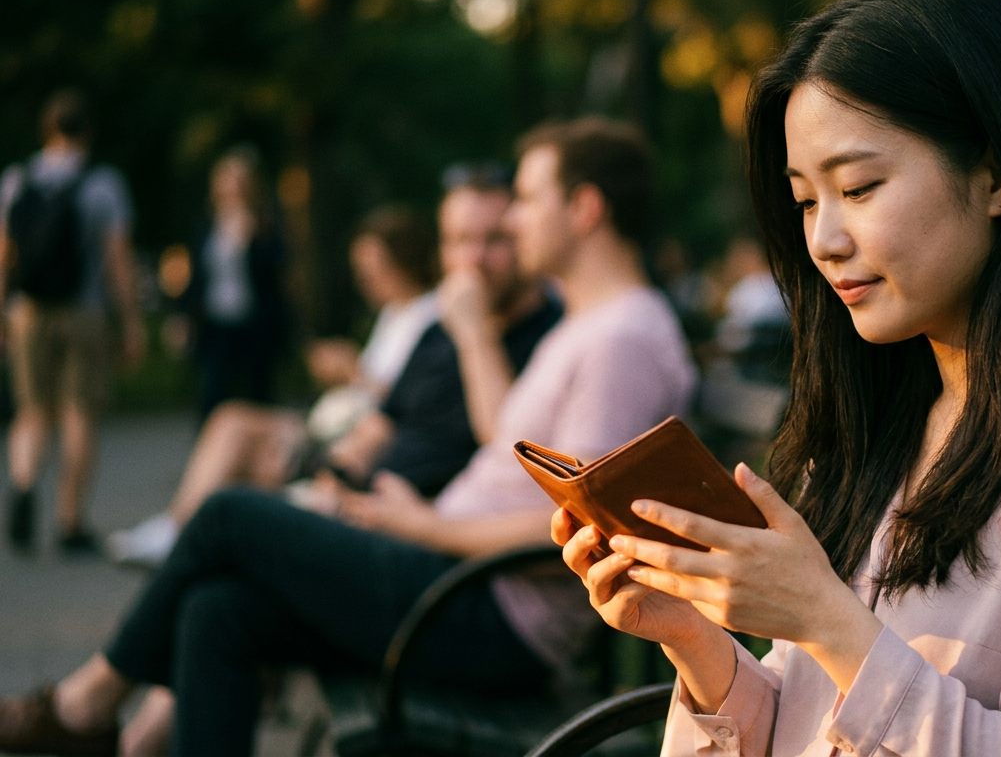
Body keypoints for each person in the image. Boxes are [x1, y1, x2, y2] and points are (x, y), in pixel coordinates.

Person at [555, 0, 1001, 755]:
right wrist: (690, 636)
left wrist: (829, 621)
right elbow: (811, 718)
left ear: (997, 175)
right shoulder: (886, 420)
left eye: (859, 188)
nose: (825, 240)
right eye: (806, 200)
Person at [0, 117, 696, 757]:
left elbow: (588, 535)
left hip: (487, 617)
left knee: (230, 516)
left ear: (585, 209)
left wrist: (422, 525)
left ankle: (84, 705)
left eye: (528, 197)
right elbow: (512, 456)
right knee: (220, 611)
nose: (514, 218)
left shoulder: (622, 340)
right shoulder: (590, 325)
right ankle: (87, 711)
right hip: (453, 585)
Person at [106, 185, 561, 568]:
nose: (474, 259)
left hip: (415, 530)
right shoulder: (438, 328)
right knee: (216, 588)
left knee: (224, 521)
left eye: (495, 239)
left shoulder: (520, 333)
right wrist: (333, 472)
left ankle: (172, 542)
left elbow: (509, 451)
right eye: (459, 240)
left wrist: (473, 334)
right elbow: (385, 419)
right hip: (367, 497)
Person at [0, 89, 146, 555]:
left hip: (28, 311)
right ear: (88, 131)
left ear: (46, 129)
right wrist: (131, 321)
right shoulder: (101, 184)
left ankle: (23, 483)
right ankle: (70, 520)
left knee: (32, 409)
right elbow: (117, 259)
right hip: (83, 310)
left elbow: (4, 255)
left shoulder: (17, 181)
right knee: (80, 412)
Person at [175, 146, 291, 423]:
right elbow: (198, 277)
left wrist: (253, 239)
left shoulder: (265, 222)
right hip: (216, 323)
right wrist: (182, 315)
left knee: (257, 393)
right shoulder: (208, 225)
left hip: (254, 322)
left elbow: (277, 270)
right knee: (214, 391)